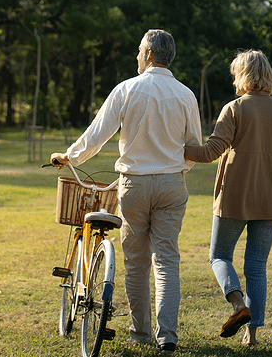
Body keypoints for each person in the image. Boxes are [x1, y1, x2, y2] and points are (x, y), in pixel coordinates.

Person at [51, 29, 201, 354]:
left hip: (134, 184)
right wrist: (174, 169)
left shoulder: (127, 89)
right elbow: (193, 148)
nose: (136, 56)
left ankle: (141, 333)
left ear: (148, 53)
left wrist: (70, 156)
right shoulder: (186, 94)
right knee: (167, 260)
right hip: (172, 184)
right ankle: (168, 337)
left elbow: (97, 134)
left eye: (138, 51)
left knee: (136, 262)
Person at [184, 50, 272, 347]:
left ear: (242, 75)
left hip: (235, 197)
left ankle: (238, 306)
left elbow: (210, 152)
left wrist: (179, 148)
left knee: (219, 255)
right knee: (256, 266)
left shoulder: (233, 109)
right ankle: (251, 335)